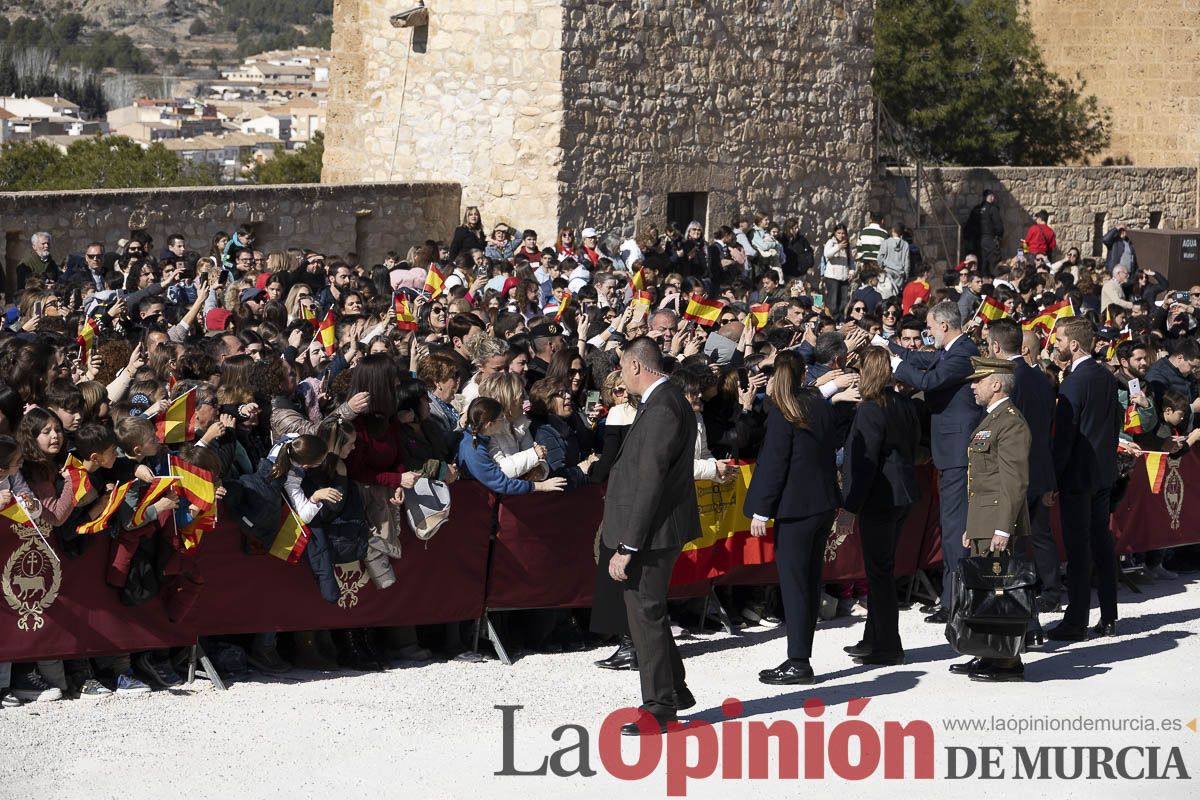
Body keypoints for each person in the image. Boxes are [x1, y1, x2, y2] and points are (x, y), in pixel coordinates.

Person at [601, 337, 699, 735]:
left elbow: (650, 481)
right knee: (648, 613)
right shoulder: (668, 401)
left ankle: (659, 707)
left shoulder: (662, 407)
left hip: (652, 532)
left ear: (637, 366)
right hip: (658, 528)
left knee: (645, 615)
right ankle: (674, 688)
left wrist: (628, 545)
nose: (622, 377)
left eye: (623, 368)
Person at [746, 351, 841, 685]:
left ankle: (799, 661)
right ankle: (800, 656)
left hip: (796, 508)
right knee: (808, 583)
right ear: (803, 376)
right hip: (822, 503)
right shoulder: (817, 405)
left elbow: (774, 465)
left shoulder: (783, 411)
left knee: (796, 585)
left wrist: (761, 510)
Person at [889, 301, 981, 621]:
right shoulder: (951, 349)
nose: (926, 333)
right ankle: (950, 596)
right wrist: (888, 345)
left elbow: (929, 379)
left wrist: (894, 364)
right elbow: (924, 358)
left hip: (957, 450)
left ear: (944, 325)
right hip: (949, 450)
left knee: (956, 528)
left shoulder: (963, 351)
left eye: (929, 327)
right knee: (950, 525)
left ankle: (954, 600)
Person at [947, 357, 1032, 682]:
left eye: (978, 380)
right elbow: (980, 479)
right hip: (984, 518)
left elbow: (1014, 480)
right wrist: (973, 525)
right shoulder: (993, 419)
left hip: (997, 519)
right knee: (984, 592)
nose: (972, 386)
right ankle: (987, 652)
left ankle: (1008, 660)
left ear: (995, 384)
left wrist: (1001, 527)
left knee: (1000, 592)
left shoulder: (1010, 422)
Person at [842, 347, 920, 666]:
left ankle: (888, 644)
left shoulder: (872, 409)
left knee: (879, 572)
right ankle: (873, 637)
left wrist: (850, 507)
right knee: (880, 570)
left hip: (880, 497)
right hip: (901, 493)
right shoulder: (903, 403)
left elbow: (866, 462)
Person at [1047, 318, 1122, 641]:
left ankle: (1076, 621)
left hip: (1078, 477)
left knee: (1079, 550)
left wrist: (1053, 476)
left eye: (1059, 339)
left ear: (1074, 344)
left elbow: (1064, 437)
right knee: (1102, 544)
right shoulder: (1106, 377)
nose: (1055, 345)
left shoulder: (1075, 383)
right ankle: (1109, 616)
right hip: (1103, 473)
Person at [985, 318, 1060, 614]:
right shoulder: (1041, 378)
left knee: (1009, 541)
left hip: (1013, 471)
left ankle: (1016, 600)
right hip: (1040, 469)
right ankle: (1051, 591)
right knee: (1040, 535)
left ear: (994, 345)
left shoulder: (1005, 379)